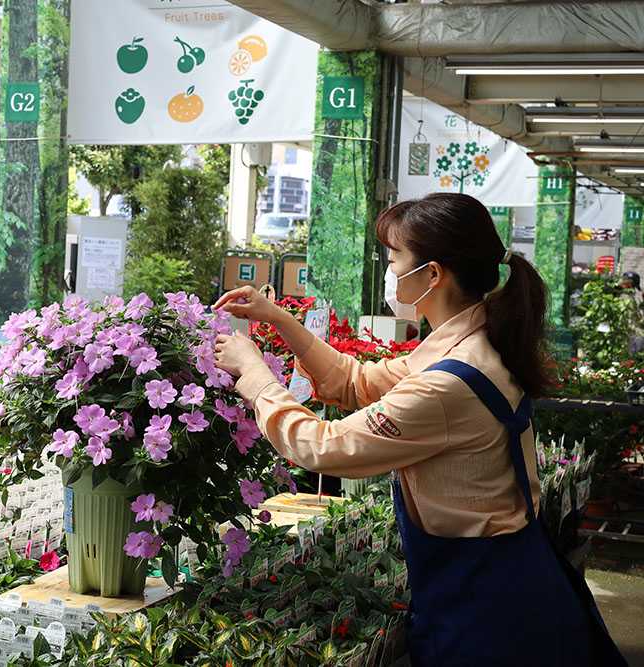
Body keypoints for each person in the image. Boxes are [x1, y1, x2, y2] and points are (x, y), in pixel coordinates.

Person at [212, 193, 626, 667]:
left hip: (487, 607)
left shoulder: (447, 383)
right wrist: (281, 320)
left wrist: (255, 376)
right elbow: (355, 382)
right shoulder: (471, 341)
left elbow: (321, 447)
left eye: (393, 259)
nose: (388, 270)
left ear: (432, 274)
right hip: (510, 575)